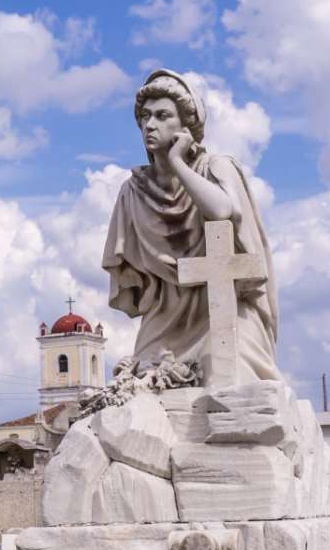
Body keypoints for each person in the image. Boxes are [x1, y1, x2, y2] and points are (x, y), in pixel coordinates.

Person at [101, 69, 280, 384]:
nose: (149, 125)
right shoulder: (134, 190)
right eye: (144, 116)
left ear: (185, 126)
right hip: (166, 319)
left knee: (223, 373)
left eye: (162, 115)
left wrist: (179, 164)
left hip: (225, 315)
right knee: (139, 386)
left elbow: (223, 210)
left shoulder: (215, 168)